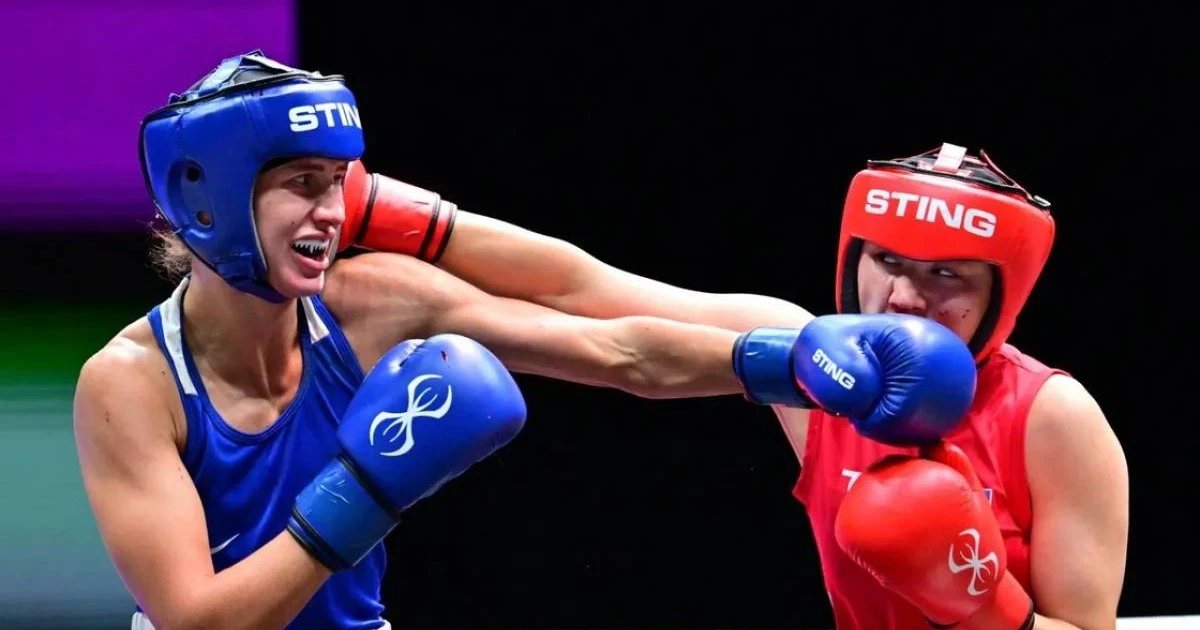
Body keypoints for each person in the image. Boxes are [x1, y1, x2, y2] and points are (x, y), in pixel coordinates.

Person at [72, 51, 977, 630]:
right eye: (300, 184)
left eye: (338, 182)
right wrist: (364, 491)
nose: (333, 211)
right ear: (211, 201)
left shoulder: (375, 301)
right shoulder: (130, 384)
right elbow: (199, 623)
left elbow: (614, 347)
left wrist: (781, 362)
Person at [358, 143, 1129, 628]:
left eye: (945, 275)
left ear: (1001, 293)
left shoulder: (1050, 416)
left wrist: (985, 610)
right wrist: (390, 215)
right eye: (887, 261)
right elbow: (583, 287)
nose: (902, 298)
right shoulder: (815, 370)